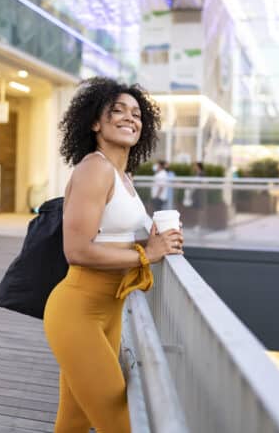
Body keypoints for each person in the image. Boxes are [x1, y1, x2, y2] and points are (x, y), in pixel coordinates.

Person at [43, 77, 184, 433]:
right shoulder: (95, 169)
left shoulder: (123, 176)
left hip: (110, 311)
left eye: (136, 113)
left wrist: (158, 241)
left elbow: (115, 235)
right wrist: (145, 254)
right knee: (120, 424)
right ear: (95, 122)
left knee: (73, 423)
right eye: (117, 110)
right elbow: (76, 250)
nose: (129, 118)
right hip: (78, 312)